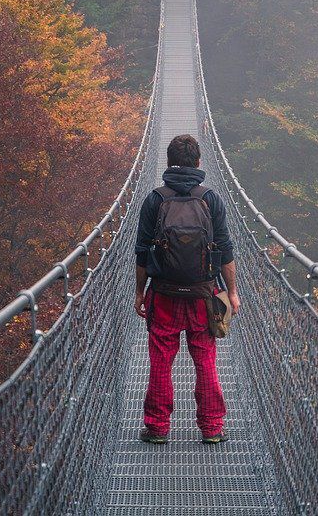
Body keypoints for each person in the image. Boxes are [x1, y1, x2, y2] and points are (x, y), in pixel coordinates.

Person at [133, 134, 241, 444]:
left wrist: (140, 292)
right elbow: (225, 250)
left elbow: (142, 252)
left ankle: (157, 428)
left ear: (168, 163)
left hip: (163, 294)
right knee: (206, 359)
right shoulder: (211, 199)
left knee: (161, 361)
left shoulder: (155, 199)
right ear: (198, 163)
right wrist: (231, 292)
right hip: (204, 296)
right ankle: (211, 429)